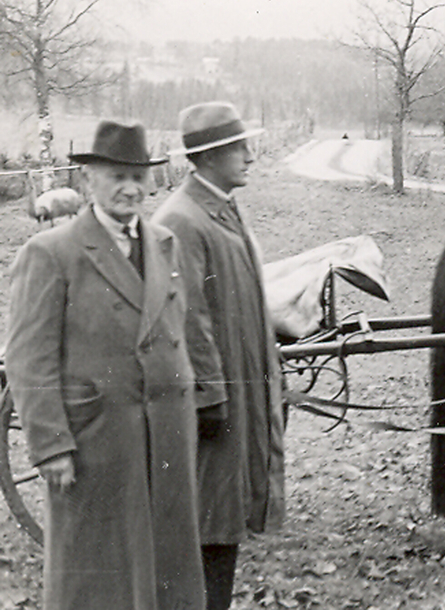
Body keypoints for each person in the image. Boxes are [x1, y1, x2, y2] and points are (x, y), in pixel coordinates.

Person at [4, 120, 205, 610]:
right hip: (95, 443)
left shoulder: (163, 244)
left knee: (165, 567)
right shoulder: (52, 253)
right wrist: (51, 445)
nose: (130, 188)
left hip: (166, 438)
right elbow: (29, 359)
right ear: (89, 180)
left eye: (139, 177)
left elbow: (178, 329)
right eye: (116, 176)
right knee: (98, 572)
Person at [151, 101, 285, 610]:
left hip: (236, 396)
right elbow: (187, 317)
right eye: (239, 148)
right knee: (209, 522)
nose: (250, 156)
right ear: (207, 158)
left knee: (223, 522)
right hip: (211, 410)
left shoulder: (224, 207)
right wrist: (209, 400)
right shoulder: (183, 220)